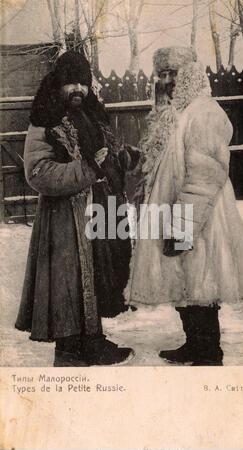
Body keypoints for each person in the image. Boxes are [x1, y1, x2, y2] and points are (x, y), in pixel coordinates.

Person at [126, 46, 243, 366]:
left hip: (201, 217)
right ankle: (193, 344)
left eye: (174, 73)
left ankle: (209, 350)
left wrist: (182, 226)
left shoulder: (204, 113)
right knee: (182, 281)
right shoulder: (174, 114)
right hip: (176, 211)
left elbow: (204, 176)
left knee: (201, 283)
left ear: (190, 74)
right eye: (163, 74)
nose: (167, 81)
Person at [15, 51, 139, 366]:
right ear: (58, 83)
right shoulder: (45, 118)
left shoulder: (94, 114)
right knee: (68, 282)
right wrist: (87, 170)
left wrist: (122, 159)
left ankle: (93, 341)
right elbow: (37, 172)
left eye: (83, 83)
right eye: (71, 82)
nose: (78, 90)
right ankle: (68, 351)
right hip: (64, 219)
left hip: (99, 211)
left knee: (95, 276)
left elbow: (105, 155)